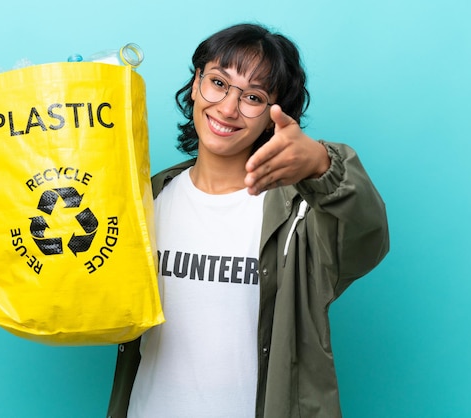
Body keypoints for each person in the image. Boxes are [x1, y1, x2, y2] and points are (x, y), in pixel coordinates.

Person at [105, 23, 389, 418]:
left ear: (273, 117)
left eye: (253, 96)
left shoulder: (300, 215)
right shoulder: (147, 200)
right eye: (218, 83)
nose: (227, 108)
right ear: (195, 84)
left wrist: (323, 166)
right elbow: (91, 286)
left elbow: (367, 238)